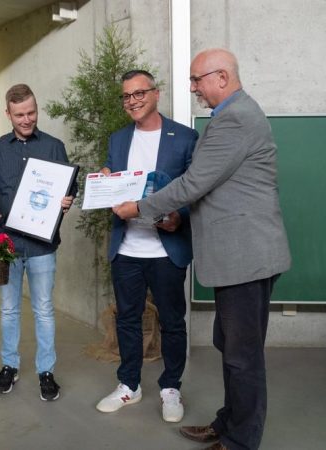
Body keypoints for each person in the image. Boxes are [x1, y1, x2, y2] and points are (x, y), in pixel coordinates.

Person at [112, 49, 291, 450]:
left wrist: (139, 207)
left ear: (222, 77)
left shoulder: (236, 118)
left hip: (246, 257)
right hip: (236, 258)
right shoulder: (230, 115)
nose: (192, 88)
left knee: (242, 356)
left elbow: (193, 183)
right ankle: (228, 424)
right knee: (231, 347)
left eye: (197, 79)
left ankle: (239, 440)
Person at [94, 70, 198, 423]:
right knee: (127, 320)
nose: (132, 101)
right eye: (126, 96)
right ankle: (129, 385)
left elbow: (196, 189)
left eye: (139, 93)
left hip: (165, 250)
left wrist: (179, 218)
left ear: (156, 93)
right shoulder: (119, 138)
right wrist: (105, 176)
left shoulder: (184, 137)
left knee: (172, 322)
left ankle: (171, 388)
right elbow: (113, 172)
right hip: (127, 249)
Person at [0, 83, 77, 401]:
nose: (27, 119)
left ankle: (46, 371)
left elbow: (70, 185)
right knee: (8, 310)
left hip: (43, 246)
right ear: (8, 114)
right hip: (7, 247)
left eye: (31, 113)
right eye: (19, 115)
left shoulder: (54, 146)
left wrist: (68, 198)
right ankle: (10, 366)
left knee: (44, 310)